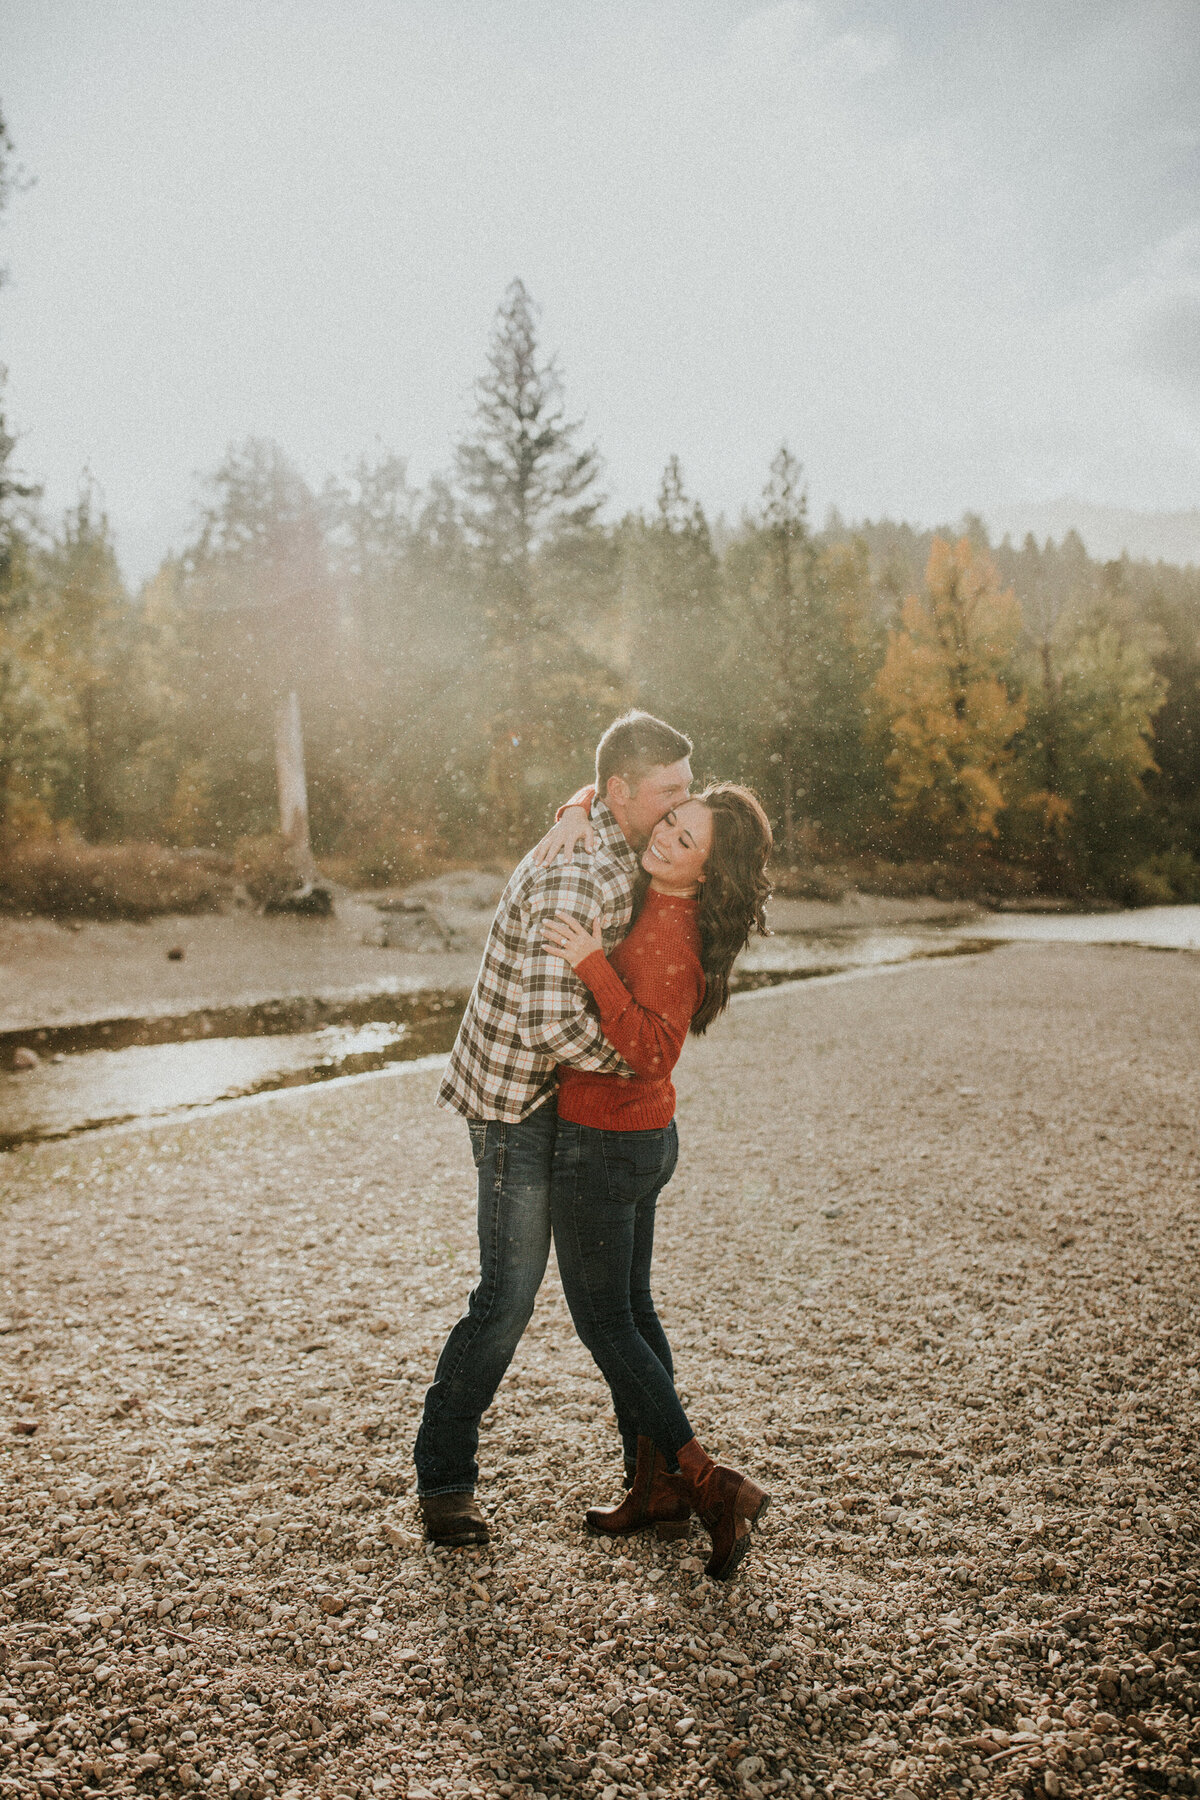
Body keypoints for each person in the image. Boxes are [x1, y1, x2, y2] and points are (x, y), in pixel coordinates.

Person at [413, 711, 694, 1546]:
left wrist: (573, 799)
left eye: (687, 789)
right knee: (506, 1297)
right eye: (669, 793)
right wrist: (640, 1062)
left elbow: (650, 801)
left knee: (623, 1302)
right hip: (517, 1105)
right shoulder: (577, 870)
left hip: (566, 1104)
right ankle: (445, 1481)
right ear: (621, 795)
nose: (685, 806)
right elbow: (546, 1027)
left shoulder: (625, 834)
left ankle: (658, 1479)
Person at [541, 784, 774, 1581]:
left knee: (606, 1325)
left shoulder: (675, 938)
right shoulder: (661, 898)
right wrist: (576, 808)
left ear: (706, 875)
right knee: (632, 1314)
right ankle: (654, 1491)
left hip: (608, 1141)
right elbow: (608, 775)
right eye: (672, 821)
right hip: (634, 1138)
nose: (667, 836)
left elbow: (652, 1049)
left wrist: (590, 966)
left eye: (687, 840)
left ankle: (709, 1485)